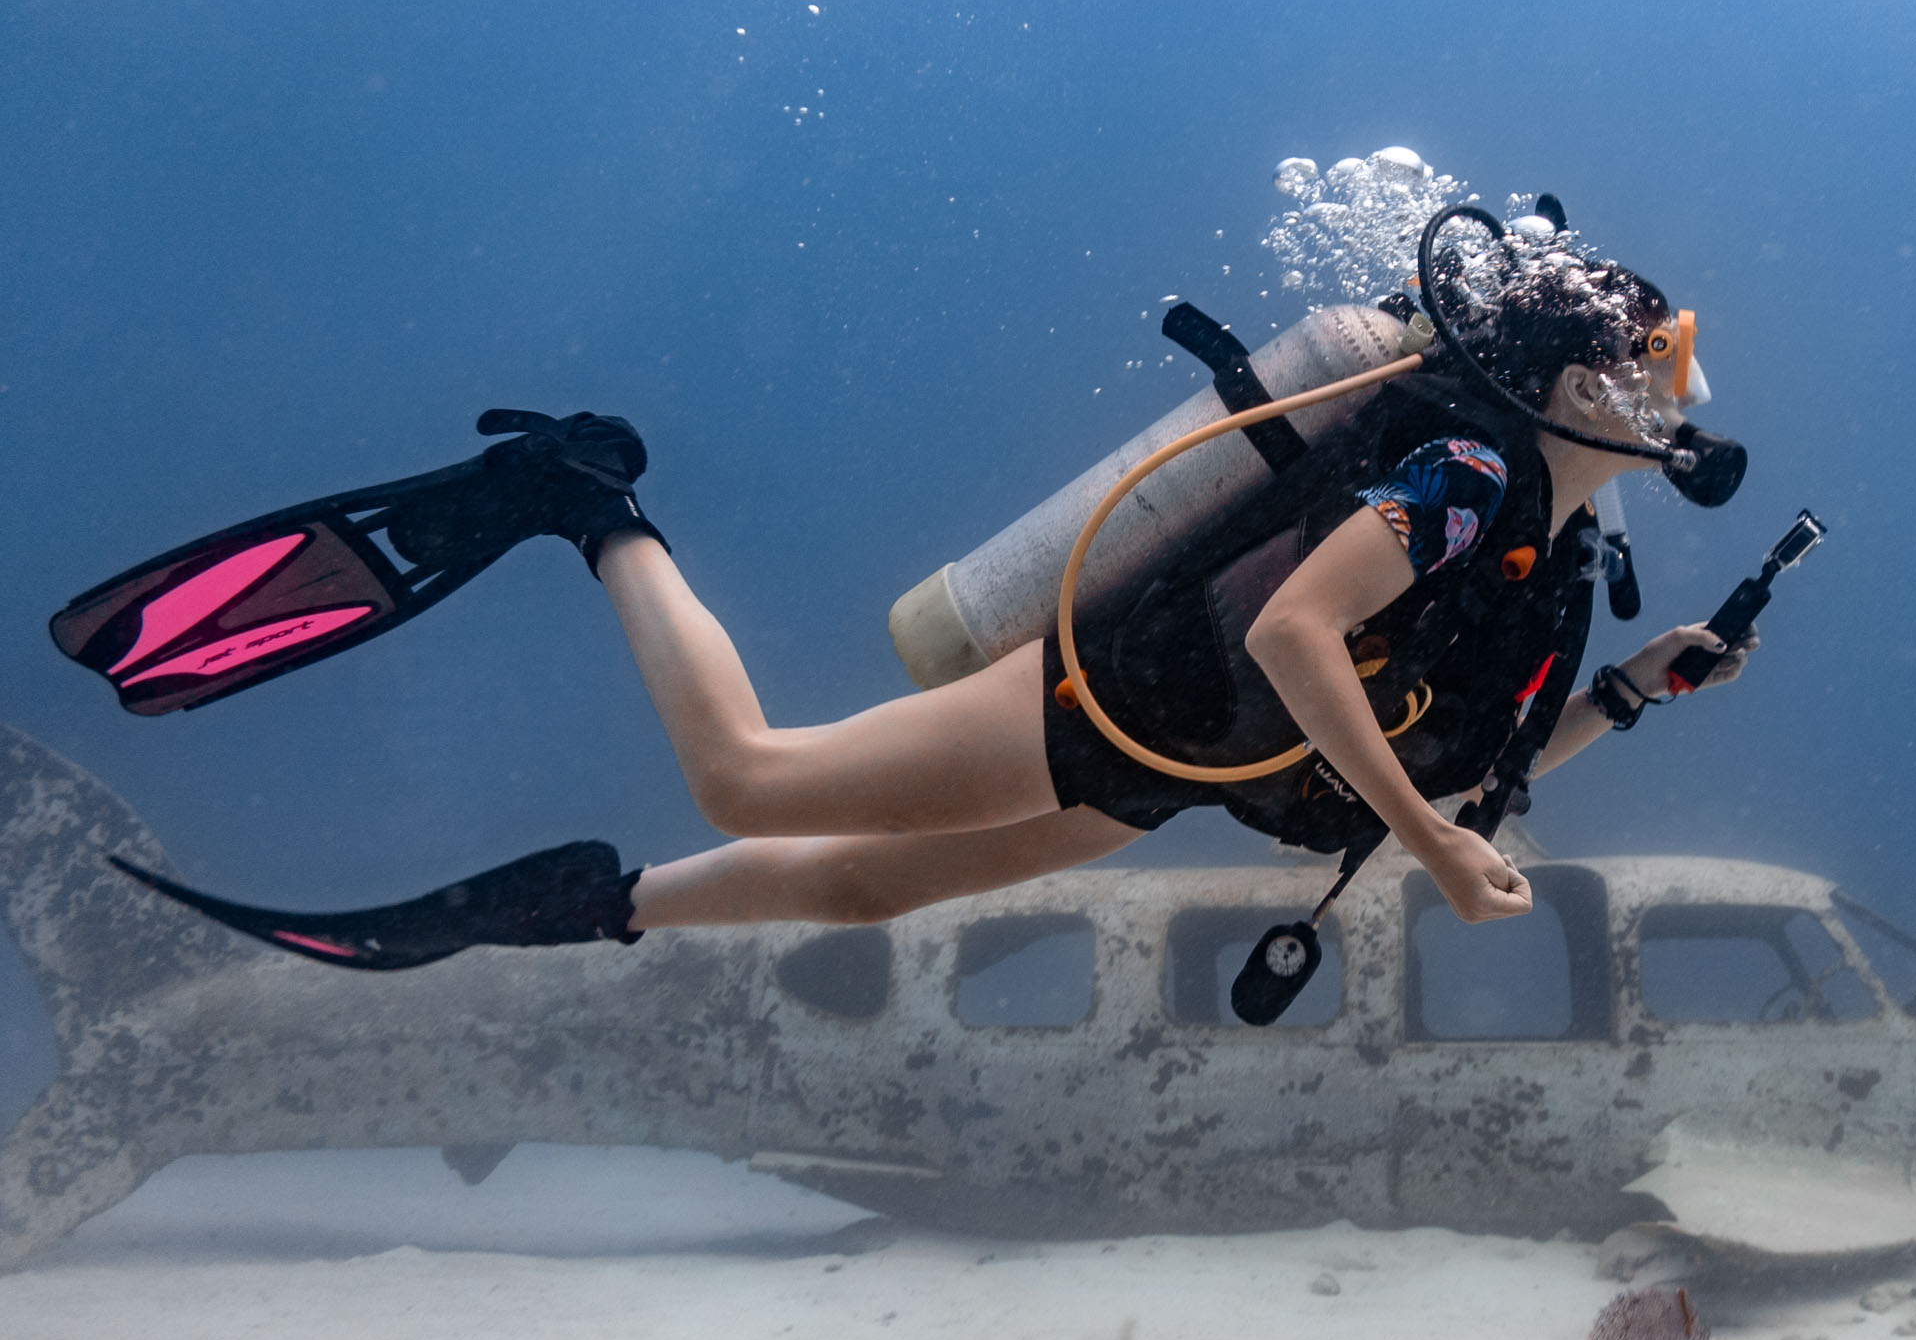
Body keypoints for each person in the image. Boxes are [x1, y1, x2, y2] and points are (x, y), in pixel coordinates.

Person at [103, 218, 1759, 972]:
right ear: (1559, 380)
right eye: (1651, 356)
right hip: (1133, 693)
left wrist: (1633, 694)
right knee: (751, 776)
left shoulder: (1564, 561)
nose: (1675, 386)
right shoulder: (1469, 485)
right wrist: (1422, 838)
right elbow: (1291, 632)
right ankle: (587, 501)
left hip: (1171, 770)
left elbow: (1476, 782)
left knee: (858, 898)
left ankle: (578, 905)